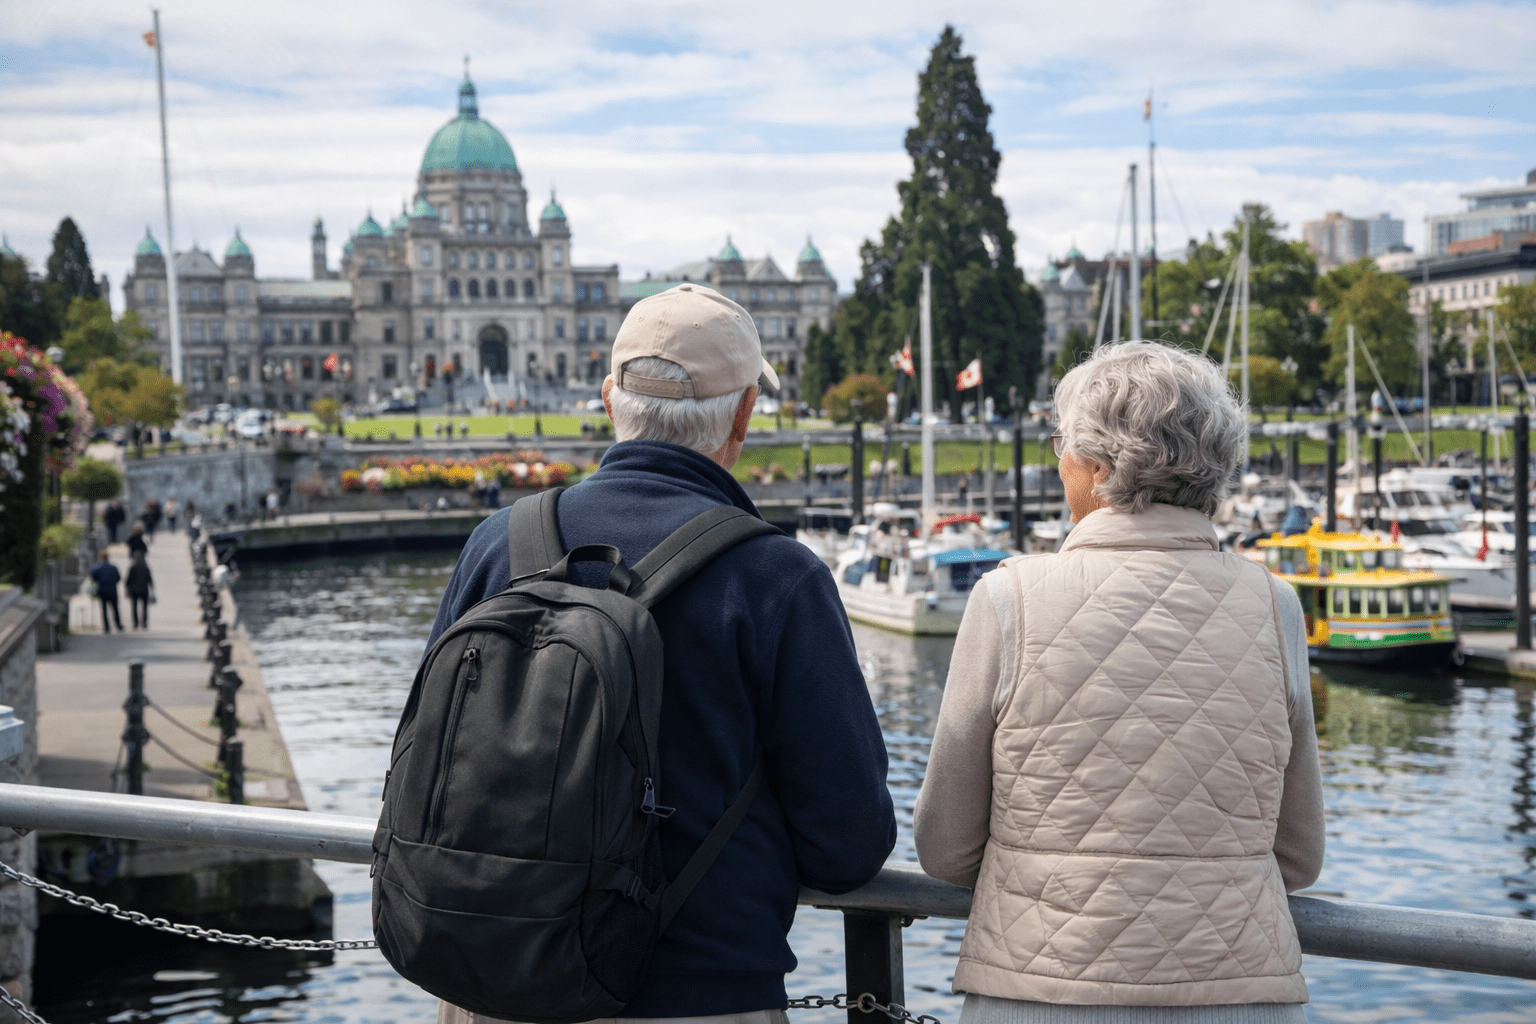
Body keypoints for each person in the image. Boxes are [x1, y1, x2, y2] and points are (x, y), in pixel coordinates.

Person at [427, 282, 895, 1022]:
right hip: (700, 991)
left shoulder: (498, 545)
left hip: (496, 982)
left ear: (610, 399)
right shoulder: (777, 578)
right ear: (744, 413)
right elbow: (849, 843)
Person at [914, 341, 1324, 1023]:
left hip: (1041, 994)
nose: (1059, 464)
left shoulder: (1007, 599)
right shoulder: (1274, 604)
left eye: (1062, 447)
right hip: (1239, 995)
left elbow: (944, 847)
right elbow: (1300, 855)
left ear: (1099, 466)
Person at [89, 550, 124, 634]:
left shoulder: (96, 567)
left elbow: (93, 577)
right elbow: (118, 578)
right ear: (108, 557)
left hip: (102, 590)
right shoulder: (113, 567)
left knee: (104, 609)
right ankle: (118, 625)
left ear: (100, 557)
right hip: (112, 590)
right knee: (115, 608)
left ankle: (106, 627)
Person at [126, 550, 154, 629]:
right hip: (144, 590)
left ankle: (136, 623)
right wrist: (152, 588)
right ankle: (144, 623)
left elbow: (128, 581)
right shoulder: (145, 568)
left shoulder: (132, 568)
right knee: (144, 608)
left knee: (134, 608)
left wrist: (127, 590)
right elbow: (150, 579)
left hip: (134, 590)